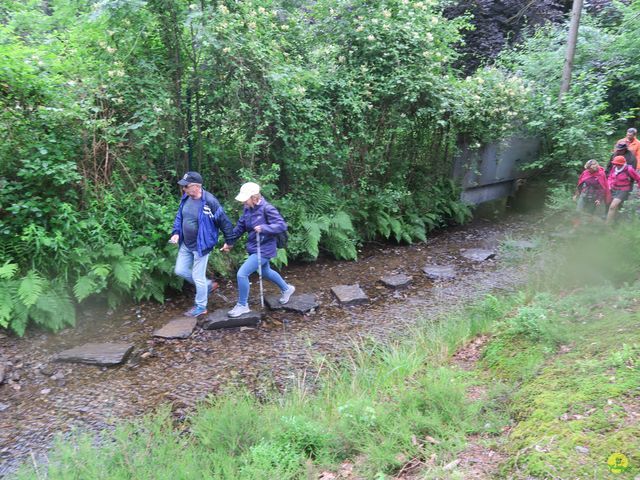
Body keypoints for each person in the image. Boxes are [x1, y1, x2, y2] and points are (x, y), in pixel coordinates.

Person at [221, 182, 295, 317]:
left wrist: (264, 228)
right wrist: (229, 242)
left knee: (242, 274)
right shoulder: (247, 209)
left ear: (254, 197)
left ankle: (243, 305)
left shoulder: (267, 209)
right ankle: (287, 288)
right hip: (254, 246)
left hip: (265, 248)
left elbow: (281, 225)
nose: (243, 201)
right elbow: (240, 227)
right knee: (265, 272)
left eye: (245, 198)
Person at [169, 171, 235, 317]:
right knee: (179, 270)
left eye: (186, 186)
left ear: (196, 187)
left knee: (197, 276)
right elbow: (180, 216)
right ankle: (207, 285)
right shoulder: (186, 197)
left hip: (202, 245)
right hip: (185, 244)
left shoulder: (210, 202)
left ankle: (201, 306)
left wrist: (229, 241)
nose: (183, 189)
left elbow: (224, 222)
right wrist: (176, 232)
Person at [606, 156, 640, 224]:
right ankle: (616, 222)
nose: (616, 165)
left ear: (622, 163)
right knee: (616, 207)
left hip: (623, 190)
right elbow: (610, 177)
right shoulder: (614, 168)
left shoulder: (629, 169)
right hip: (613, 189)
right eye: (615, 163)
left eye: (618, 164)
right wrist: (609, 184)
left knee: (612, 206)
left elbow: (638, 179)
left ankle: (607, 225)